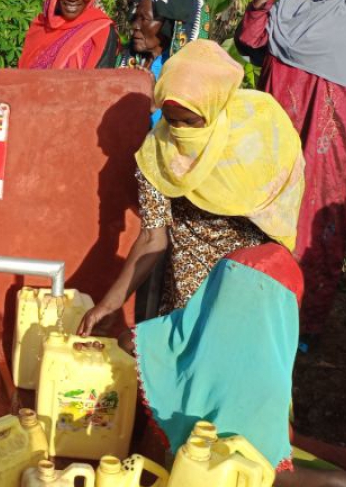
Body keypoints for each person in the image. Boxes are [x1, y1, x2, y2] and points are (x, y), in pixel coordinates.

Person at [129, 244, 346, 487]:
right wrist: (331, 481)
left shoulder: (187, 329)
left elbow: (131, 341)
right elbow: (270, 468)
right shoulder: (264, 369)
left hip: (178, 469)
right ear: (285, 308)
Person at [78, 40, 304, 330]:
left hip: (246, 283)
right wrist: (110, 304)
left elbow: (280, 214)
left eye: (191, 121)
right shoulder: (157, 154)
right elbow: (152, 238)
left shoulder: (258, 134)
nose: (181, 132)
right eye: (172, 121)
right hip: (187, 288)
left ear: (214, 106)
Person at [235, 0, 346, 345]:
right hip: (277, 138)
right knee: (263, 221)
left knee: (317, 229)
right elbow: (250, 35)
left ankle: (302, 323)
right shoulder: (291, 7)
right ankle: (252, 311)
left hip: (331, 146)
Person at [117, 0, 210, 126]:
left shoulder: (188, 76)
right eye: (135, 18)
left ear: (171, 26)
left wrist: (154, 104)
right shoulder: (124, 58)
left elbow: (184, 134)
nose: (135, 26)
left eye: (145, 19)